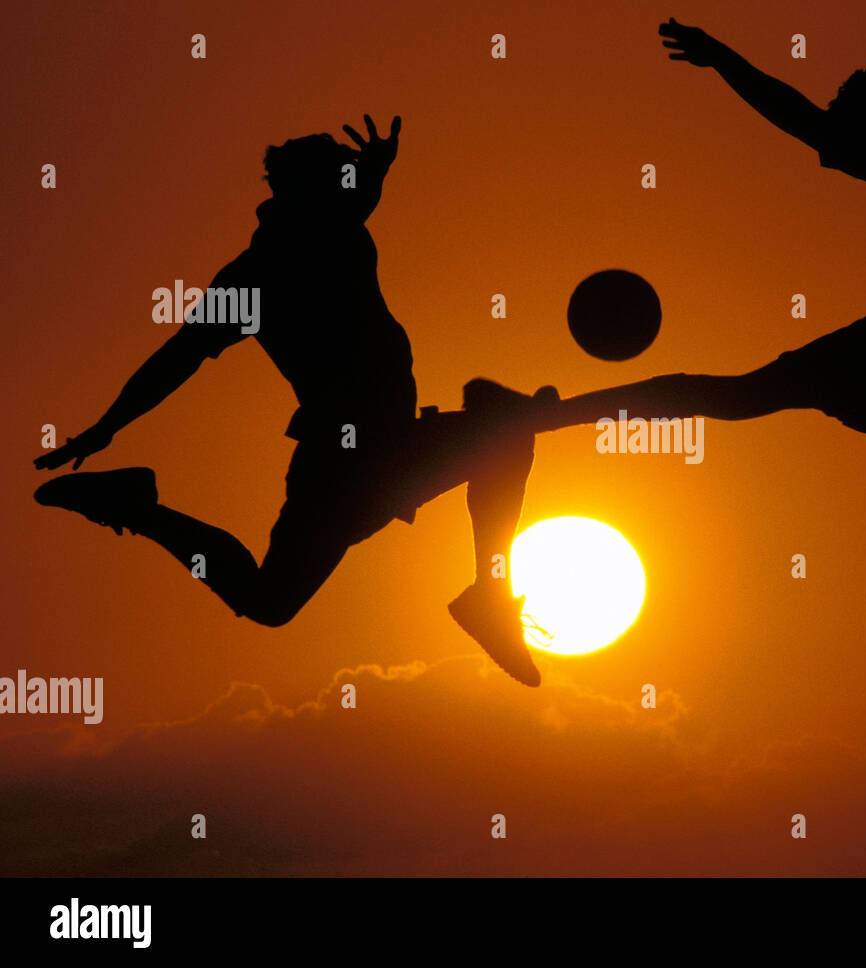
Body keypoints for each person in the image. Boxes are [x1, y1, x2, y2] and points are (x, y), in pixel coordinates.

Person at [521, 19, 866, 778]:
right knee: (756, 407)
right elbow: (803, 122)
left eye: (859, 131)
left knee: (755, 406)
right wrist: (724, 61)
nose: (849, 151)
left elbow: (810, 125)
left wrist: (722, 60)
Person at [33, 115, 552, 687]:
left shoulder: (339, 227)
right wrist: (107, 426)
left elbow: (359, 197)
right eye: (338, 175)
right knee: (270, 601)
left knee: (501, 435)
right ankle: (135, 506)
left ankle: (489, 592)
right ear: (305, 190)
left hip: (392, 446)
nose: (349, 183)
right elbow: (178, 357)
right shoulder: (256, 279)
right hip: (340, 460)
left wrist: (375, 172)